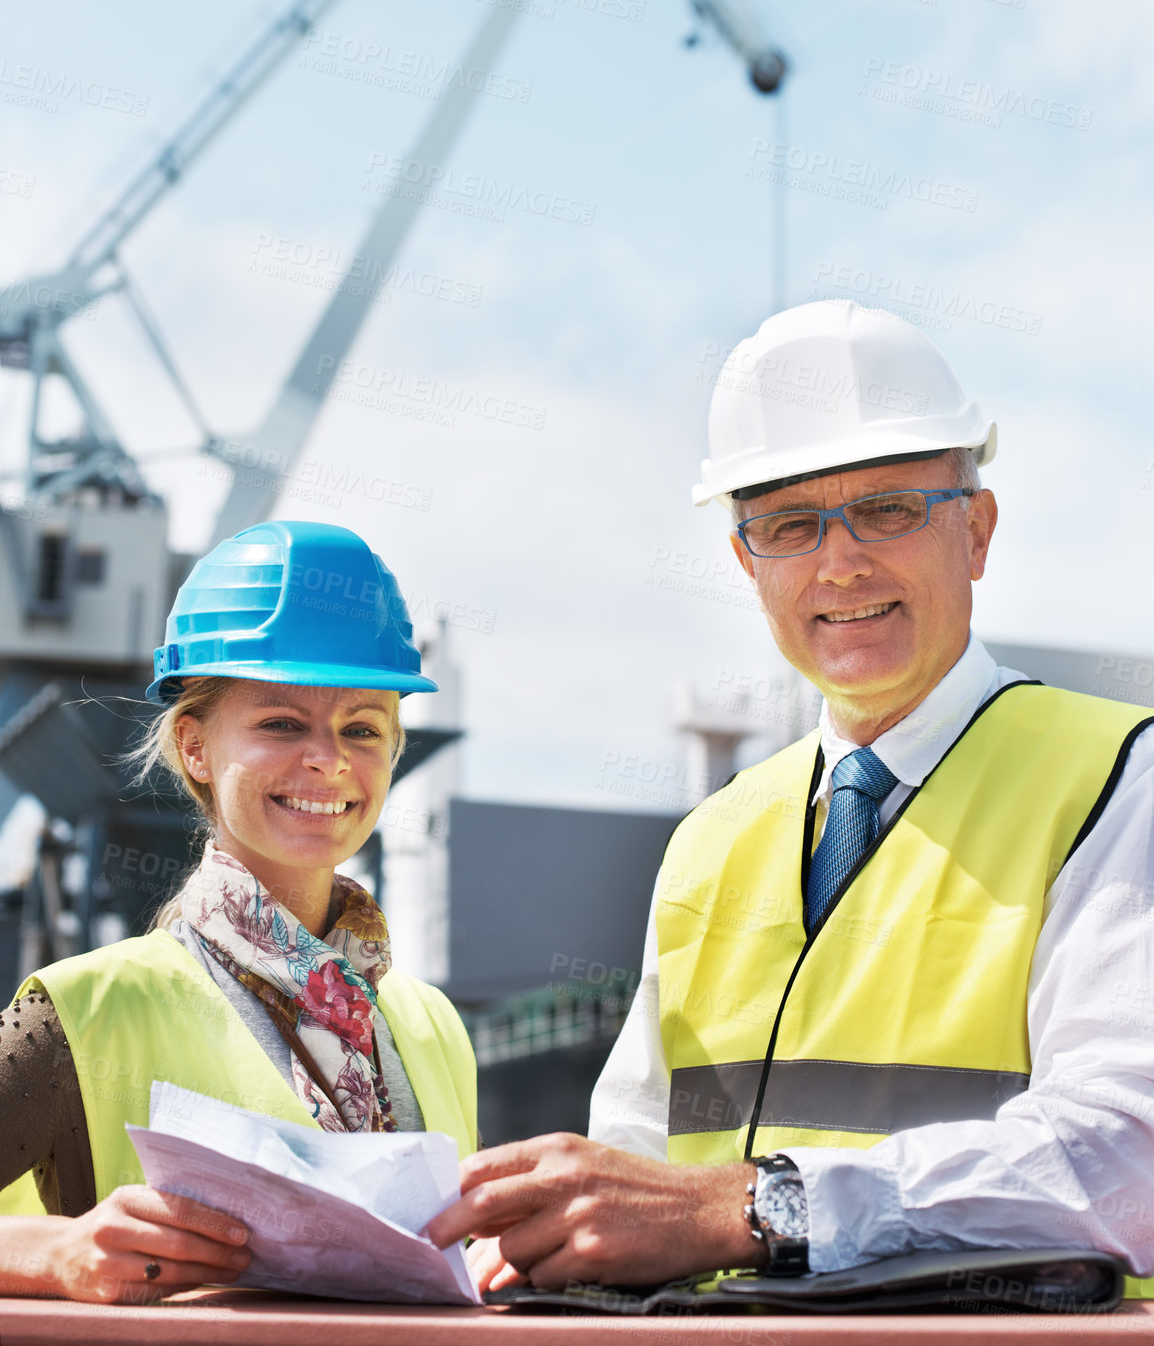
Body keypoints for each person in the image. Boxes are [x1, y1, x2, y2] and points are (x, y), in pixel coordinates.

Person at [430, 299, 1154, 1297]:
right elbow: (639, 1157)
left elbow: (1127, 1160)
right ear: (745, 562)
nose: (840, 560)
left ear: (976, 530)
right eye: (786, 525)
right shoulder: (709, 841)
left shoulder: (1119, 782)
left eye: (889, 509)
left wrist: (758, 1208)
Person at [0, 519, 477, 1304]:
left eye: (362, 728)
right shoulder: (79, 1012)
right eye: (281, 724)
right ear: (194, 746)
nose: (327, 757)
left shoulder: (432, 1027)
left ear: (393, 751)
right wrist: (52, 1254)